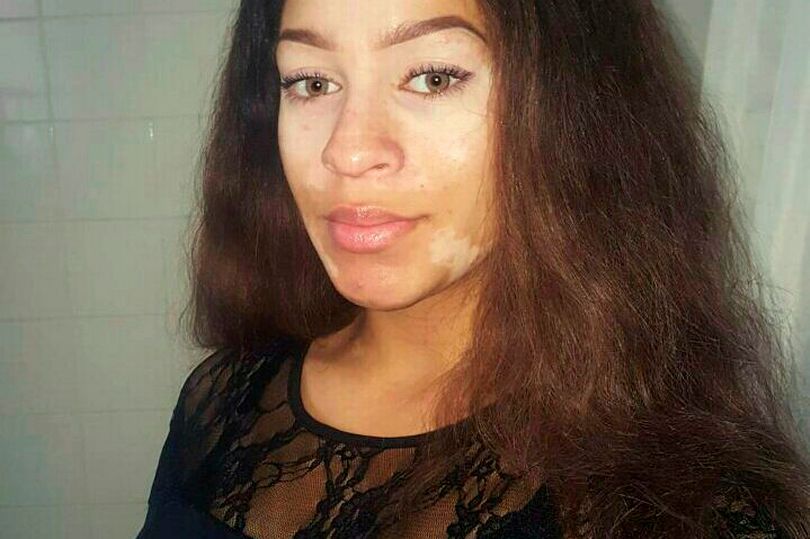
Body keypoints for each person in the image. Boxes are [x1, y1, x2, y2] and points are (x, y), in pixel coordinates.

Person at [137, 0, 810, 537]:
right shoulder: (223, 398)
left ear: (571, 108)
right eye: (311, 82)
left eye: (432, 76)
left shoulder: (686, 502)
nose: (347, 150)